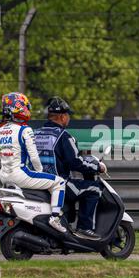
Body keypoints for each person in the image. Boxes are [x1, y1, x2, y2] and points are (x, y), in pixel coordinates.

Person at [34, 96, 107, 240]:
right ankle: (84, 228)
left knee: (78, 187)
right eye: (68, 115)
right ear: (62, 117)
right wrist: (97, 166)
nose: (69, 118)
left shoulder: (35, 134)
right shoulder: (63, 136)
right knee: (94, 188)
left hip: (36, 182)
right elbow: (75, 162)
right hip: (58, 184)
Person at [0, 92, 68, 233]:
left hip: (4, 176)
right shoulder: (25, 130)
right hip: (21, 174)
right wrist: (40, 172)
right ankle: (55, 218)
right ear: (20, 108)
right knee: (59, 182)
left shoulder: (0, 131)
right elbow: (34, 157)